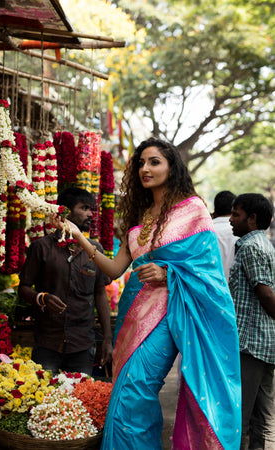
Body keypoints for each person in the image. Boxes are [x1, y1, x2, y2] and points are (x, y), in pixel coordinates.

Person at [51, 137, 241, 450]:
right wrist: (79, 236)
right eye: (141, 163)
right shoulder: (140, 219)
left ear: (172, 168)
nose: (145, 169)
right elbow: (113, 270)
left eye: (154, 162)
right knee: (126, 390)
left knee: (137, 387)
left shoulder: (192, 210)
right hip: (136, 315)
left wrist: (169, 274)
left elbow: (210, 273)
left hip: (172, 312)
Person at [18, 187, 112, 376]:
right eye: (84, 208)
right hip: (47, 342)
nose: (89, 214)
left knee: (80, 400)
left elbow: (100, 294)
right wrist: (42, 298)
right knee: (43, 400)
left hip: (82, 344)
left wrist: (108, 339)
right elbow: (23, 289)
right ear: (65, 211)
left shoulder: (95, 250)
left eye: (91, 209)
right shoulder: (41, 248)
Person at [229, 193, 275, 450]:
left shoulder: (250, 247)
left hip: (250, 344)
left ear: (253, 218)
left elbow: (266, 293)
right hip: (263, 343)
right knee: (263, 416)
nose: (231, 220)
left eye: (236, 214)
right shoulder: (262, 243)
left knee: (241, 417)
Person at [212, 190, 238, 281]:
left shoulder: (206, 231)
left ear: (215, 210)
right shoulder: (242, 232)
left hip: (210, 290)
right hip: (236, 291)